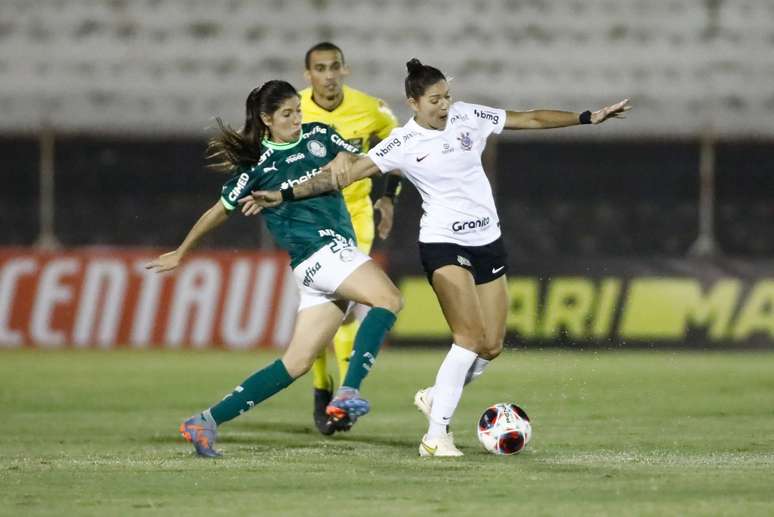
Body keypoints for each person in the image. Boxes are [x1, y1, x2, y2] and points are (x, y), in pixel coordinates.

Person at [239, 59, 631, 457]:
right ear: (413, 102)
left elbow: (528, 119)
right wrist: (283, 194)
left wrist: (587, 117)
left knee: (491, 346)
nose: (444, 106)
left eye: (446, 97)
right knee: (468, 338)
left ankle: (437, 395)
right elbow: (342, 175)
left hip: (487, 241)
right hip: (443, 244)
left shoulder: (469, 116)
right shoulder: (401, 142)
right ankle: (436, 435)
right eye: (434, 100)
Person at [146, 80, 403, 457]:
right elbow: (219, 210)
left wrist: (347, 166)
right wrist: (183, 251)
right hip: (322, 253)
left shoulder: (319, 134)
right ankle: (348, 392)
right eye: (287, 114)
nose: (297, 120)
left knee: (296, 363)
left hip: (316, 269)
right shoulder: (257, 169)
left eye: (298, 111)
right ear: (266, 119)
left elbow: (354, 163)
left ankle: (205, 421)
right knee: (389, 298)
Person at [299, 42, 403, 435]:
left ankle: (342, 396)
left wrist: (388, 200)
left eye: (334, 67)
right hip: (309, 220)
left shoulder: (371, 109)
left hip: (355, 219)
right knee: (320, 308)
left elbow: (398, 149)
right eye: (319, 68)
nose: (328, 75)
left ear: (345, 70)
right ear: (308, 74)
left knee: (343, 309)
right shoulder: (293, 110)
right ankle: (321, 388)